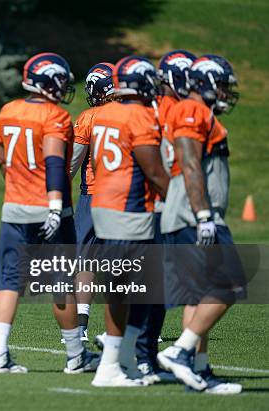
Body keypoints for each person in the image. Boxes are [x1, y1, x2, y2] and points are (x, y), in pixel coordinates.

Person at [0, 53, 98, 374]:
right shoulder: (56, 116)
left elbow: (2, 161)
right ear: (49, 81)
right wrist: (54, 204)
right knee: (60, 284)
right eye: (60, 80)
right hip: (51, 210)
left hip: (14, 207)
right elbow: (54, 162)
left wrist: (18, 188)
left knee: (10, 283)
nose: (64, 86)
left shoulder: (8, 110)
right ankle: (76, 356)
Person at [158, 54, 244, 395]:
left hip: (191, 212)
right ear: (206, 83)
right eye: (221, 85)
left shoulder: (195, 112)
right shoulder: (192, 110)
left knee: (200, 296)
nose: (224, 92)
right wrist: (204, 215)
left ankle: (199, 369)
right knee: (231, 284)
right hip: (195, 214)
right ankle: (181, 351)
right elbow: (191, 163)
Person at [89, 56, 170, 387]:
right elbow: (152, 170)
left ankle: (124, 359)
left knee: (135, 286)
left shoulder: (104, 113)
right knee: (125, 288)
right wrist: (185, 203)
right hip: (129, 208)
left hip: (105, 203)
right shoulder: (140, 116)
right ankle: (110, 366)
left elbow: (97, 160)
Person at [135, 49, 196, 383]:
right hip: (160, 203)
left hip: (165, 202)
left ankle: (141, 350)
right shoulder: (160, 110)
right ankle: (138, 348)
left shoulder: (168, 108)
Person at [70, 62, 116, 343]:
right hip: (126, 197)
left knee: (85, 262)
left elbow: (73, 162)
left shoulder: (88, 118)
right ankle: (140, 325)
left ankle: (81, 325)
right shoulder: (136, 115)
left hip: (93, 195)